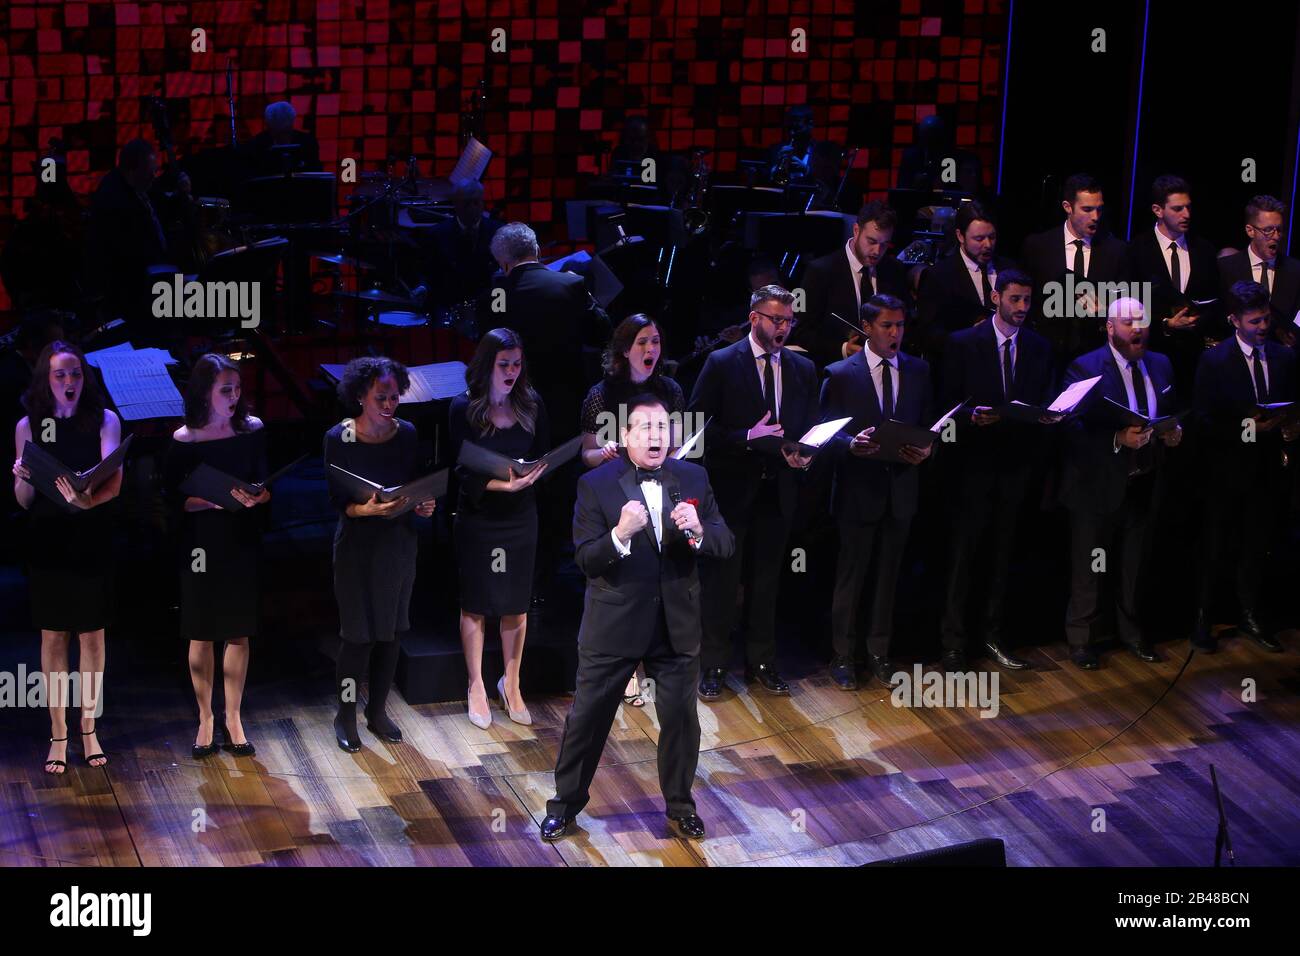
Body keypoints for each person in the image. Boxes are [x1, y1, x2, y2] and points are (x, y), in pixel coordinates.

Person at [539, 394, 734, 841]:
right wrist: (619, 534)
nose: (655, 437)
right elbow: (586, 560)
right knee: (587, 720)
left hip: (677, 625)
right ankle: (565, 806)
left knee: (683, 721)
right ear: (625, 436)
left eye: (663, 428)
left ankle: (681, 806)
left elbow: (725, 544)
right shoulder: (597, 484)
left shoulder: (694, 477)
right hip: (615, 625)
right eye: (644, 428)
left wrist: (701, 530)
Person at [688, 285, 819, 699]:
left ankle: (762, 662)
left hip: (778, 489)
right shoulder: (722, 363)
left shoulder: (802, 368)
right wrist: (747, 436)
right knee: (723, 584)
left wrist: (805, 455)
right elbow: (695, 430)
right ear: (754, 318)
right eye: (775, 319)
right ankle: (714, 666)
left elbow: (809, 427)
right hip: (732, 490)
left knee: (766, 583)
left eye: (788, 320)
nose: (782, 327)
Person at [11, 341, 122, 773]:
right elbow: (22, 501)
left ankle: (89, 728)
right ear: (46, 380)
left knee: (92, 636)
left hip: (90, 534)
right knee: (54, 637)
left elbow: (115, 477)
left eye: (75, 373)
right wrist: (22, 478)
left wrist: (86, 502)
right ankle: (59, 733)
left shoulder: (104, 419)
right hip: (47, 538)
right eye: (60, 375)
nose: (69, 382)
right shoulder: (28, 425)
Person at [937, 270, 1053, 672]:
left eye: (1027, 300)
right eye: (1015, 299)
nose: (1022, 307)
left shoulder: (1039, 347)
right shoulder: (963, 344)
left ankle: (992, 635)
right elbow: (945, 406)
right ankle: (953, 643)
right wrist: (971, 418)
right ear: (995, 297)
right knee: (963, 556)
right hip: (972, 468)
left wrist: (1048, 417)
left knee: (1002, 557)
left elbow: (1042, 400)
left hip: (1016, 468)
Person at [1058, 297, 1182, 670]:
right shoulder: (1086, 366)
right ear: (1110, 328)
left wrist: (1174, 432)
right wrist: (1116, 439)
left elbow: (1171, 411)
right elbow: (1069, 426)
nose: (1138, 329)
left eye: (1141, 322)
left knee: (1132, 563)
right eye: (1129, 323)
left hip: (1143, 480)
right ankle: (1082, 639)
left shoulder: (1160, 364)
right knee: (1091, 565)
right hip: (1097, 484)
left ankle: (1131, 634)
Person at [819, 294, 933, 690]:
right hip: (857, 490)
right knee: (851, 577)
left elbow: (930, 425)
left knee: (888, 577)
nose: (895, 333)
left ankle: (879, 653)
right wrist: (850, 444)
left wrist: (927, 448)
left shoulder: (919, 371)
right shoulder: (840, 374)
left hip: (901, 490)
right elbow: (823, 434)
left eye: (900, 326)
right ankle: (843, 656)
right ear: (866, 327)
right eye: (887, 326)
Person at [323, 357, 437, 752]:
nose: (389, 404)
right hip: (357, 546)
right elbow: (338, 500)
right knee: (358, 637)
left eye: (394, 397)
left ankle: (377, 712)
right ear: (359, 396)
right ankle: (346, 713)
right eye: (380, 397)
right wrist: (366, 510)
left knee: (391, 634)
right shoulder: (340, 437)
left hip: (399, 544)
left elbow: (417, 485)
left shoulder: (406, 433)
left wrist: (423, 504)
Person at [163, 354, 270, 758]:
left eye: (237, 388)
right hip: (200, 544)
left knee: (238, 630)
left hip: (240, 538)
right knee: (202, 630)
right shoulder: (184, 439)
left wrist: (257, 496)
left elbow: (266, 486)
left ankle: (234, 717)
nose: (234, 396)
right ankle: (206, 717)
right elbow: (173, 502)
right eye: (225, 389)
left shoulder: (252, 430)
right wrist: (211, 501)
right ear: (205, 392)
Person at [580, 315, 686, 707]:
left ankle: (653, 663)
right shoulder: (601, 394)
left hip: (661, 489)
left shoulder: (670, 390)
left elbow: (677, 444)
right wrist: (604, 452)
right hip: (617, 494)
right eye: (642, 342)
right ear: (625, 349)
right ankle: (626, 669)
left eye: (655, 341)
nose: (650, 350)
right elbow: (587, 453)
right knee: (623, 583)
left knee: (656, 580)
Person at [448, 329, 550, 729]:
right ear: (488, 364)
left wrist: (529, 476)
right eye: (504, 364)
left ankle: (512, 682)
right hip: (479, 514)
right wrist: (501, 483)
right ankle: (476, 685)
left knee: (515, 602)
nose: (511, 371)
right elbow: (460, 469)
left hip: (521, 514)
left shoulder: (532, 403)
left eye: (517, 364)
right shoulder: (464, 407)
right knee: (476, 601)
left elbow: (543, 453)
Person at [1192, 281, 1298, 653]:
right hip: (1227, 470)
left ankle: (1250, 613)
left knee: (1257, 545)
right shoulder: (1215, 360)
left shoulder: (1284, 358)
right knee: (1217, 547)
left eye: (1266, 318)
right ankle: (1204, 618)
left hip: (1267, 469)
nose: (1262, 327)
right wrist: (1248, 426)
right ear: (1234, 320)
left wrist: (1288, 425)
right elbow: (1203, 419)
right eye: (1254, 321)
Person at [1021, 173, 1135, 363]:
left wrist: (1106, 309)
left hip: (1096, 354)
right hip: (1047, 354)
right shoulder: (1037, 247)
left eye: (1099, 210)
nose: (1095, 217)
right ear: (1068, 207)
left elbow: (1126, 302)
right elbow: (1028, 300)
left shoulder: (1117, 251)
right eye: (1087, 209)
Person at [795, 201, 909, 370]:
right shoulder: (820, 271)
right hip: (836, 372)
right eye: (871, 241)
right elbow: (801, 331)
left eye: (885, 244)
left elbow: (906, 323)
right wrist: (843, 349)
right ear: (856, 230)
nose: (877, 251)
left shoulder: (895, 271)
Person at [1135, 175, 1223, 394]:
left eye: (1188, 207)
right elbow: (1132, 304)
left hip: (1195, 359)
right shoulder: (1135, 251)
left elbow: (1214, 299)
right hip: (1152, 357)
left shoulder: (1205, 250)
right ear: (1158, 210)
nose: (1186, 214)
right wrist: (1165, 324)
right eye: (1177, 209)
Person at [914, 201, 1014, 371]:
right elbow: (926, 334)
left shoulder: (1010, 269)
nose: (988, 245)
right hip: (959, 371)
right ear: (960, 236)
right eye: (979, 239)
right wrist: (968, 336)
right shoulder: (939, 276)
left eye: (992, 237)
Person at [1217, 195, 1300, 346]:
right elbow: (1217, 314)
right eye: (1268, 230)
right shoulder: (1225, 268)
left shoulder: (1295, 270)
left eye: (1279, 230)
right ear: (1250, 230)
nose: (1276, 237)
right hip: (1238, 358)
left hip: (1282, 359)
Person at [425, 179, 504, 309]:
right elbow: (430, 275)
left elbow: (503, 279)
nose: (473, 208)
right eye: (467, 203)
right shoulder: (437, 235)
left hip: (491, 304)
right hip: (451, 305)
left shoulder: (499, 233)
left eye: (476, 202)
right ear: (455, 204)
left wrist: (499, 312)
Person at [245, 100, 322, 176]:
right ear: (269, 126)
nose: (283, 136)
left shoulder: (307, 143)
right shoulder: (256, 146)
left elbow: (316, 173)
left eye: (286, 131)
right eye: (279, 132)